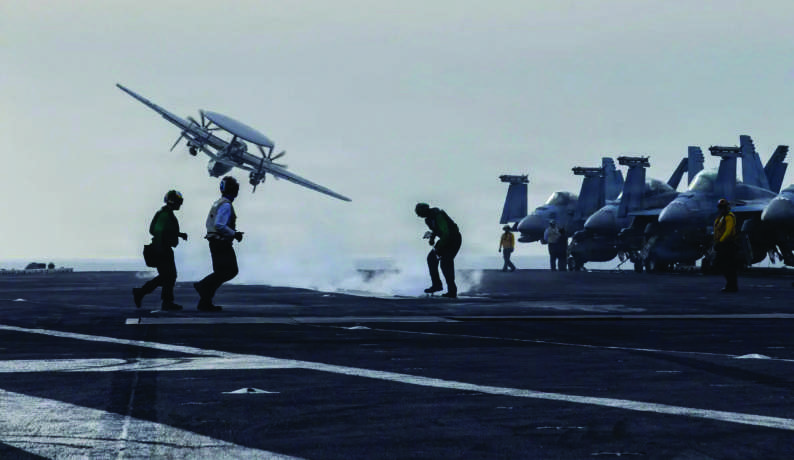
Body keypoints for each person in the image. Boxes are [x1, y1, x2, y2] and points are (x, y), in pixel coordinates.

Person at [193, 176, 244, 311]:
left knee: (219, 272)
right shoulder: (226, 205)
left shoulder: (217, 203)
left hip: (214, 241)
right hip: (221, 243)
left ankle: (204, 302)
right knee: (231, 271)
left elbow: (210, 223)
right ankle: (203, 285)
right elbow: (220, 224)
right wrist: (234, 234)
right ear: (233, 190)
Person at [133, 190, 188, 310]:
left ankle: (150, 295)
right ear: (173, 201)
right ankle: (160, 299)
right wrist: (160, 250)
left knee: (168, 276)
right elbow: (157, 231)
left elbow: (164, 230)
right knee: (169, 276)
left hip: (163, 248)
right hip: (162, 249)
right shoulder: (164, 214)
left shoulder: (167, 213)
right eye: (179, 201)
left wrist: (179, 234)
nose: (180, 204)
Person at [415, 202, 462, 298]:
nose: (419, 215)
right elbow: (437, 230)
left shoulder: (438, 215)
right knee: (431, 259)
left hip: (453, 239)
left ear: (424, 210)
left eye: (419, 212)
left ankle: (452, 291)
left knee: (446, 263)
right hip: (445, 240)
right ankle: (437, 285)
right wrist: (432, 238)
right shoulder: (428, 219)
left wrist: (439, 247)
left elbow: (446, 233)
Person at [713, 198, 738, 292]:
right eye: (720, 207)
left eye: (723, 207)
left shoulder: (729, 217)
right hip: (721, 244)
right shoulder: (720, 218)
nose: (721, 209)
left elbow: (729, 230)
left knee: (729, 266)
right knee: (723, 265)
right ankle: (730, 285)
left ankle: (732, 286)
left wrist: (721, 241)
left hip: (728, 245)